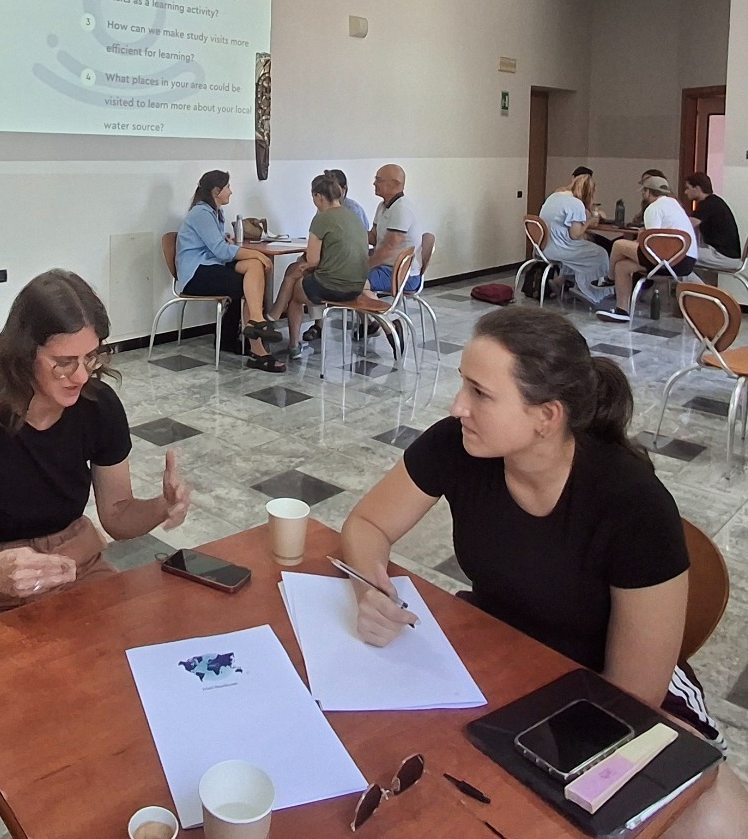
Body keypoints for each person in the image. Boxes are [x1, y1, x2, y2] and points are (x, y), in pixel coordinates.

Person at [339, 308, 748, 837]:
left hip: (610, 694)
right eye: (464, 385)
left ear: (546, 416)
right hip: (502, 655)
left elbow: (631, 695)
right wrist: (369, 584)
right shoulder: (457, 446)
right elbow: (368, 523)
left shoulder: (631, 504)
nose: (457, 406)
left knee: (712, 816)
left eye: (480, 394)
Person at [0, 270, 190, 629]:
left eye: (91, 357)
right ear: (23, 355)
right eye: (64, 362)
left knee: (127, 651)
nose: (81, 376)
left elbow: (117, 516)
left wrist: (162, 506)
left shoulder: (99, 406)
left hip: (72, 565)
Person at [174, 169, 284, 371]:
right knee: (248, 280)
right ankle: (257, 346)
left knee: (254, 268)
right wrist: (258, 253)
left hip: (211, 265)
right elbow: (221, 251)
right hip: (196, 273)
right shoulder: (201, 213)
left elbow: (216, 245)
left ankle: (253, 325)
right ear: (217, 191)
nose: (231, 192)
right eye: (228, 187)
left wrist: (228, 240)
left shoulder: (215, 212)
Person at [268, 173, 371, 355]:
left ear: (318, 196)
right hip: (357, 285)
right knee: (296, 273)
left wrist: (306, 265)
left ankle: (291, 343)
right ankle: (273, 318)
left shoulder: (322, 218)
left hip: (333, 287)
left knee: (295, 293)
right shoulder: (354, 215)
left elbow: (313, 260)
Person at [597, 176, 699, 323]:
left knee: (619, 245)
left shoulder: (654, 208)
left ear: (648, 192)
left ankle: (609, 279)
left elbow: (651, 241)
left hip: (668, 260)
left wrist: (640, 237)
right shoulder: (674, 204)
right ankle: (622, 310)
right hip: (686, 260)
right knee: (622, 266)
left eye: (644, 191)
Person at [537, 172, 614, 306]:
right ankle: (589, 291)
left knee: (581, 247)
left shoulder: (554, 197)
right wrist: (590, 221)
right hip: (558, 248)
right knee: (600, 253)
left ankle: (561, 280)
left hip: (544, 247)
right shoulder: (576, 204)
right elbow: (575, 234)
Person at [367, 164, 422, 294]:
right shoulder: (383, 206)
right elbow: (374, 238)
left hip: (403, 274)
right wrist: (352, 231)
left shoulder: (402, 209)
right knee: (348, 276)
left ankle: (379, 313)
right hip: (386, 268)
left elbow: (388, 250)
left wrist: (364, 266)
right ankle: (369, 313)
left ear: (395, 184)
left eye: (379, 180)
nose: (374, 183)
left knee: (351, 280)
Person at [684, 173, 743, 275]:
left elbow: (688, 225)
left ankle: (696, 288)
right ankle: (699, 289)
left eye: (688, 188)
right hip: (726, 254)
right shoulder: (714, 202)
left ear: (697, 189)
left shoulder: (708, 204)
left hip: (722, 255)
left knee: (681, 256)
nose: (685, 192)